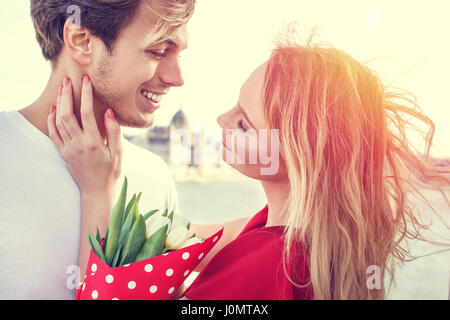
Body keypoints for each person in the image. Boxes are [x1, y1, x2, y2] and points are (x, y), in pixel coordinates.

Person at [47, 34, 450, 299]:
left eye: (244, 121)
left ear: (299, 153)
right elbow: (182, 235)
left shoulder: (268, 268)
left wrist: (96, 191)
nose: (222, 120)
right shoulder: (301, 238)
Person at [0, 0, 195, 299]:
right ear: (81, 41)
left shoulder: (155, 176)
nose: (177, 78)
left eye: (180, 54)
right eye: (158, 51)